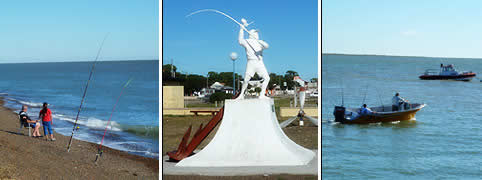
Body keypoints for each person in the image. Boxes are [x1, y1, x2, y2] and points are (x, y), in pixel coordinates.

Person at [236, 18, 270, 100]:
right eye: (255, 33)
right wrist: (241, 29)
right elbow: (240, 41)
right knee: (246, 80)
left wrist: (258, 41)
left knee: (267, 78)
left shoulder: (260, 42)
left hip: (259, 62)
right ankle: (241, 95)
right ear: (252, 34)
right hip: (251, 62)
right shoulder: (247, 41)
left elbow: (267, 46)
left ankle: (262, 95)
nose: (257, 34)